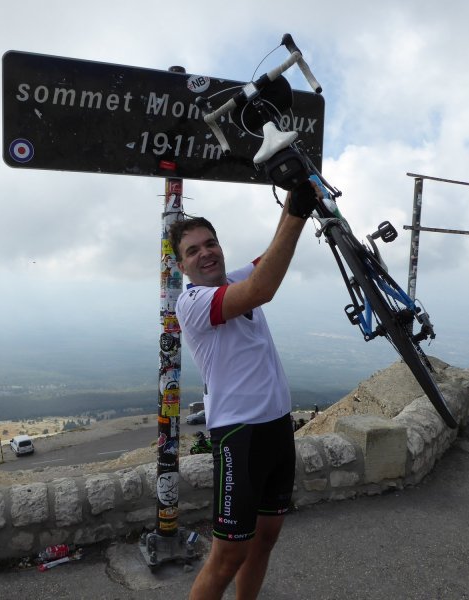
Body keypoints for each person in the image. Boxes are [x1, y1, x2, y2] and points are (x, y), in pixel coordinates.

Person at [169, 179, 319, 600]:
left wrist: (294, 193)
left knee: (266, 536)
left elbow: (273, 254)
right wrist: (300, 212)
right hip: (239, 434)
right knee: (229, 555)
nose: (205, 253)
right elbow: (262, 289)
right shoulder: (193, 303)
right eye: (193, 250)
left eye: (210, 243)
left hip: (276, 425)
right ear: (182, 267)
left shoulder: (234, 277)